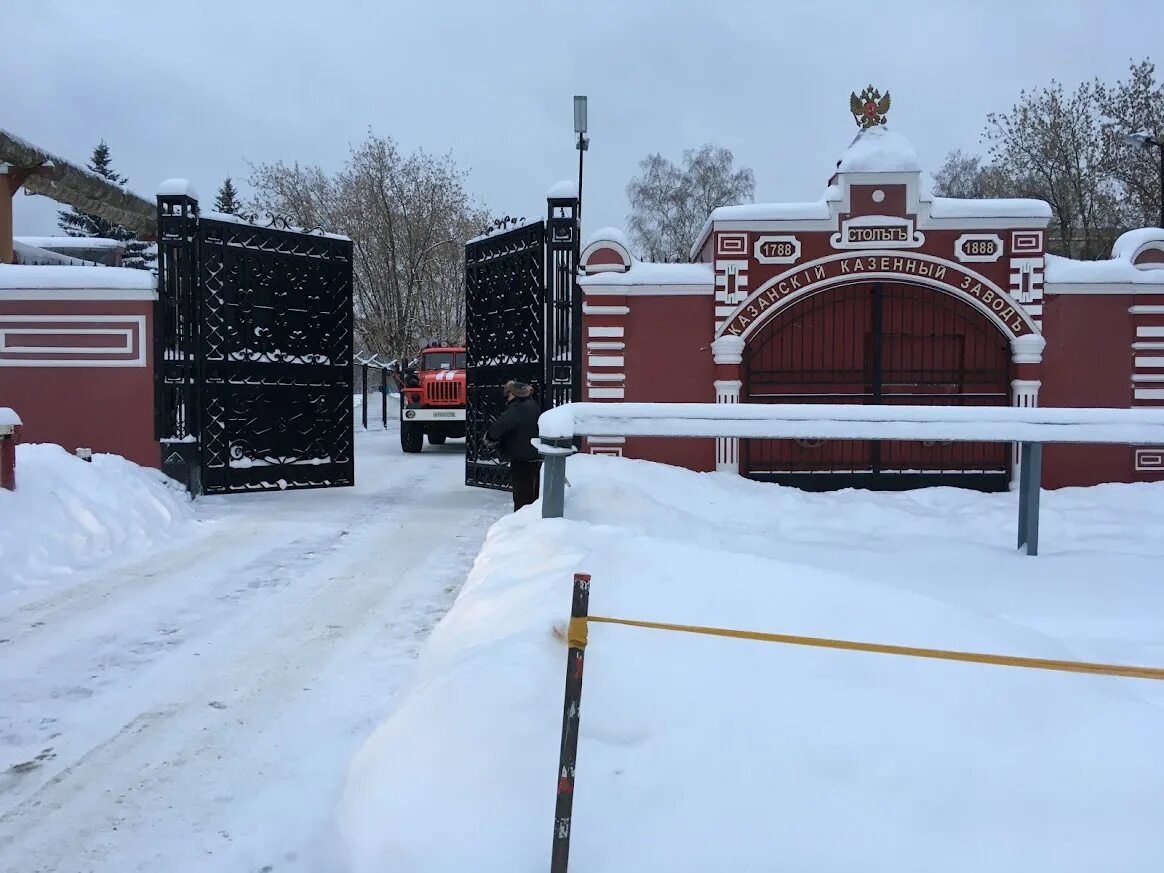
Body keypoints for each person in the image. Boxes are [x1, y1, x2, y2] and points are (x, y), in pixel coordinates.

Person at [484, 380, 542, 512]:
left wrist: (490, 437)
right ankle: (531, 518)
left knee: (522, 495)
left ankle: (522, 521)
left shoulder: (518, 408)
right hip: (533, 454)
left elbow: (500, 426)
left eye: (508, 394)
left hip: (522, 456)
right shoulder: (531, 403)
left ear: (515, 394)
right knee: (533, 491)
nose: (507, 397)